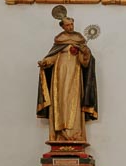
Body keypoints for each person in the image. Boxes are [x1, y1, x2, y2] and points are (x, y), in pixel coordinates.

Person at [37, 14, 98, 143]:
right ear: (63, 26)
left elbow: (85, 62)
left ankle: (74, 133)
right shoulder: (60, 41)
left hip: (74, 76)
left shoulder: (79, 40)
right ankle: (60, 134)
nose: (70, 27)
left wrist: (85, 52)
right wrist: (45, 62)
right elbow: (52, 57)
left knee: (73, 103)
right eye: (67, 25)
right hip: (59, 77)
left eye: (72, 24)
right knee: (60, 102)